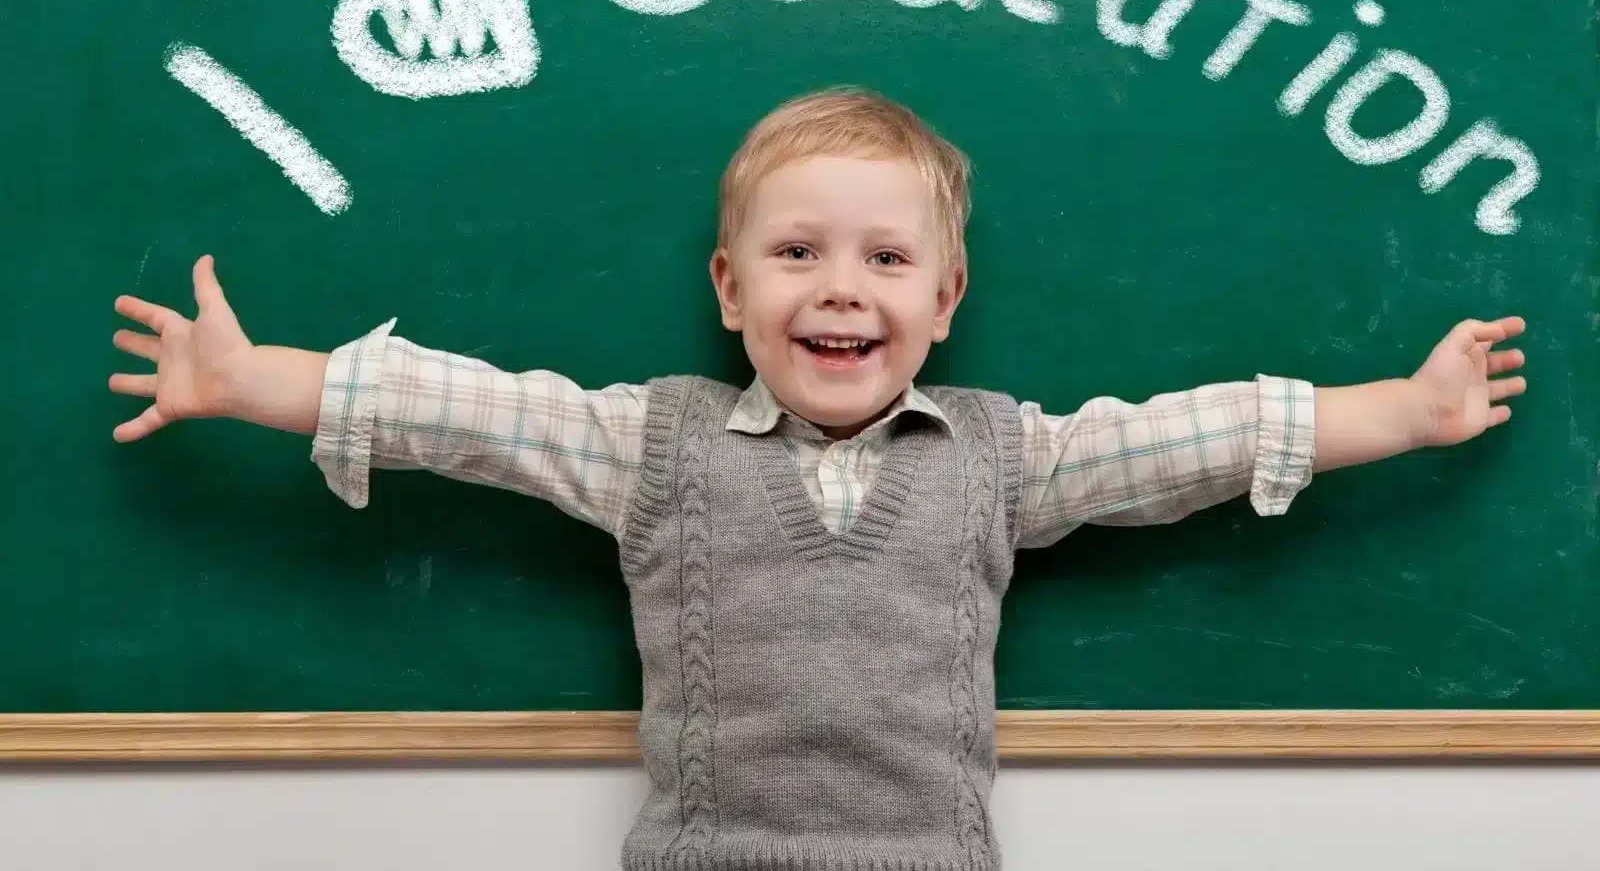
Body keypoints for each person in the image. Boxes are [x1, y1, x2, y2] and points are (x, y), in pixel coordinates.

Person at [108, 87, 1527, 869]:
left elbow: (1187, 441)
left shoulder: (999, 456)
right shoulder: (648, 444)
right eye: (797, 254)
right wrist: (256, 381)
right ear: (730, 289)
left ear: (946, 297)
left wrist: (1403, 410)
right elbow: (463, 411)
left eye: (885, 259)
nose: (840, 290)